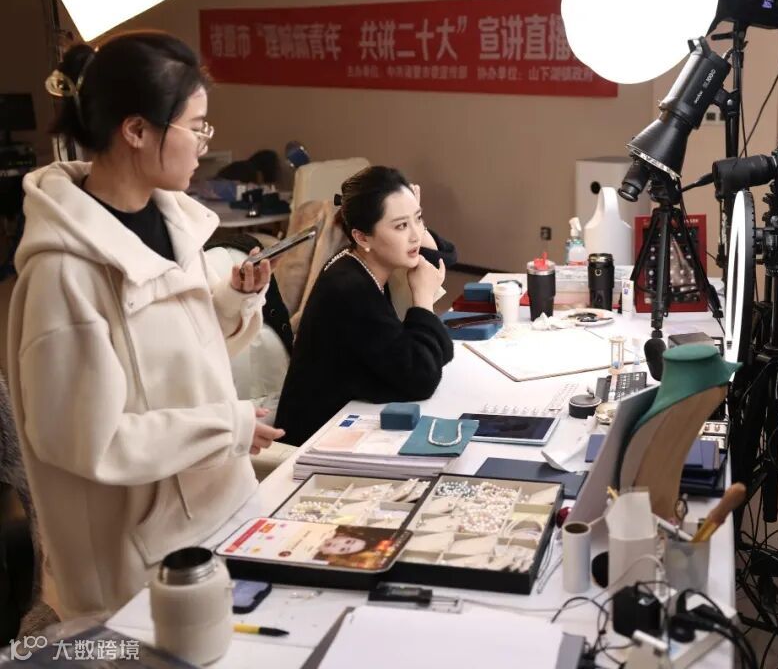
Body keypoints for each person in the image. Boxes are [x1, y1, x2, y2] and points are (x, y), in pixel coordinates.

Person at [7, 31, 285, 618]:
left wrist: (232, 304)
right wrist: (225, 428)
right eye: (197, 127)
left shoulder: (172, 222)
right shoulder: (64, 273)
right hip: (145, 564)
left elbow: (175, 359)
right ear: (136, 130)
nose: (204, 145)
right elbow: (91, 441)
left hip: (224, 514)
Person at [275, 166, 455, 445]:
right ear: (362, 237)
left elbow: (436, 355)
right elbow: (421, 378)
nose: (416, 235)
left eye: (418, 219)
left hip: (350, 424)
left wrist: (409, 219)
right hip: (316, 443)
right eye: (400, 226)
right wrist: (422, 298)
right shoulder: (349, 288)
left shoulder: (359, 265)